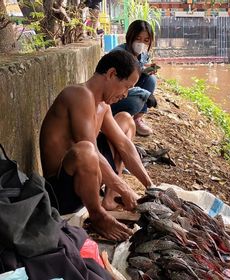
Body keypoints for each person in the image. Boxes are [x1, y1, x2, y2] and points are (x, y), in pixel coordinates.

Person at [39, 50, 154, 241]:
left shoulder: (104, 106)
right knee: (86, 150)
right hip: (62, 192)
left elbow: (124, 145)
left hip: (87, 179)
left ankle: (109, 198)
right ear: (111, 74)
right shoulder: (77, 94)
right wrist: (125, 189)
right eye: (126, 87)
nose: (125, 95)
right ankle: (97, 215)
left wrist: (151, 187)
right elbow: (88, 148)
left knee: (125, 120)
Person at [110, 20, 158, 137]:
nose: (141, 43)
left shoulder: (143, 55)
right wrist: (145, 94)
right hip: (111, 97)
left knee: (150, 79)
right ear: (130, 37)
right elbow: (117, 85)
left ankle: (137, 119)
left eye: (146, 40)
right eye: (138, 38)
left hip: (126, 92)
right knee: (136, 102)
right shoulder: (120, 55)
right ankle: (115, 118)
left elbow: (137, 69)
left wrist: (146, 69)